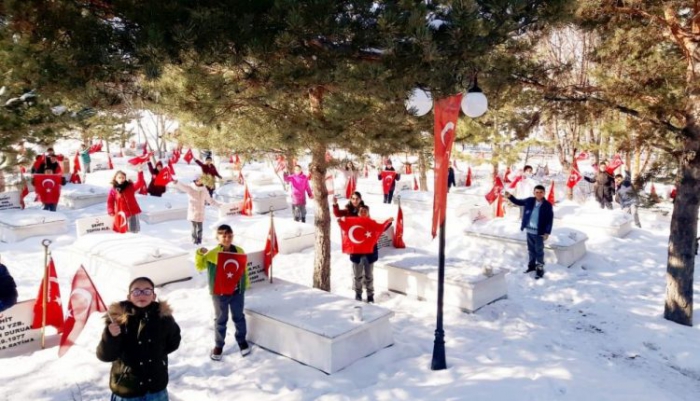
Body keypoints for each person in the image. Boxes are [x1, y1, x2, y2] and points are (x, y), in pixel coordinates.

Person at [96, 277, 181, 401]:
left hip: (156, 388)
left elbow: (173, 344)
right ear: (129, 296)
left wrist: (169, 323)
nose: (142, 294)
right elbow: (105, 356)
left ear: (153, 295)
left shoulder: (163, 317)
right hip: (127, 389)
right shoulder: (118, 320)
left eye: (147, 291)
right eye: (136, 291)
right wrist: (110, 336)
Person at [195, 224, 250, 360]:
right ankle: (219, 345)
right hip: (219, 293)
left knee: (239, 317)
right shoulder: (213, 253)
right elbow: (200, 266)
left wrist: (245, 285)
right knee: (221, 319)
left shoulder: (239, 251)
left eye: (229, 236)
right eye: (223, 236)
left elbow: (244, 269)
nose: (227, 239)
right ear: (217, 237)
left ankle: (241, 340)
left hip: (237, 292)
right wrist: (199, 254)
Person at [342, 205, 393, 303]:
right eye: (361, 211)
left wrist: (388, 221)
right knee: (357, 277)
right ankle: (358, 294)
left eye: (365, 211)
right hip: (357, 256)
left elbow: (381, 228)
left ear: (368, 213)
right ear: (358, 213)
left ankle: (370, 296)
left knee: (369, 277)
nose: (363, 212)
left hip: (369, 256)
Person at [505, 185, 553, 279]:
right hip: (529, 231)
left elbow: (549, 219)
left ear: (544, 193)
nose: (539, 194)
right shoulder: (529, 200)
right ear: (534, 193)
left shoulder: (547, 205)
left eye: (541, 192)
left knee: (539, 251)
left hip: (539, 232)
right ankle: (531, 266)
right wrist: (510, 196)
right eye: (537, 192)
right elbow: (518, 202)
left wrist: (547, 232)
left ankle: (539, 268)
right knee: (531, 250)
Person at [173, 176, 220, 245]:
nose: (199, 181)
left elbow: (209, 200)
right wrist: (177, 183)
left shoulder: (204, 190)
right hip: (193, 211)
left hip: (201, 212)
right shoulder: (190, 188)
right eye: (198, 180)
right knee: (194, 228)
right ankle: (194, 241)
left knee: (200, 228)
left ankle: (199, 241)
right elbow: (183, 187)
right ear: (195, 181)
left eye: (200, 180)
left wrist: (218, 205)